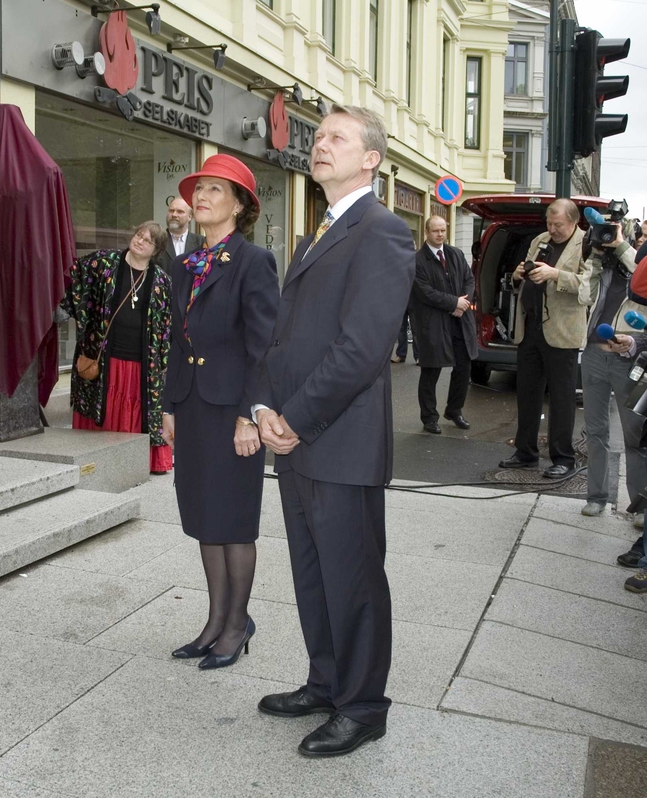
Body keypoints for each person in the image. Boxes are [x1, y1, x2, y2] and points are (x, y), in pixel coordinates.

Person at [251, 104, 415, 758]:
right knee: (313, 575)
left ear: (370, 158)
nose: (320, 145)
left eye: (337, 138)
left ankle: (363, 706)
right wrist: (265, 405)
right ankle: (324, 683)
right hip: (296, 441)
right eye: (318, 137)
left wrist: (294, 416)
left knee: (353, 581)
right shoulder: (318, 230)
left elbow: (362, 349)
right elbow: (284, 336)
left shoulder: (382, 232)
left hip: (338, 441)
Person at [161, 155, 280, 670]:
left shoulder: (253, 262)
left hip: (232, 411)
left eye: (215, 189)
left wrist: (249, 415)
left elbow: (264, 346)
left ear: (240, 205)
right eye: (198, 188)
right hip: (192, 405)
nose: (201, 196)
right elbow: (174, 342)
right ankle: (215, 620)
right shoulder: (185, 263)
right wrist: (168, 404)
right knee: (205, 517)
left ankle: (237, 625)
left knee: (233, 521)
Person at [65, 222, 172, 474]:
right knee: (103, 402)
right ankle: (95, 459)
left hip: (140, 363)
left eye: (147, 240)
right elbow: (76, 278)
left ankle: (132, 463)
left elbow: (167, 326)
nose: (140, 241)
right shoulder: (105, 262)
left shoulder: (162, 282)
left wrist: (164, 363)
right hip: (105, 357)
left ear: (155, 250)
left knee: (136, 406)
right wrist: (69, 309)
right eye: (138, 235)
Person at [498, 199, 593, 479]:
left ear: (574, 222)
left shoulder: (586, 244)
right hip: (530, 328)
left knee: (562, 399)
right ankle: (526, 452)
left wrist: (555, 274)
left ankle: (563, 458)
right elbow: (526, 274)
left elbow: (588, 286)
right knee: (527, 394)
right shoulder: (540, 239)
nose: (552, 229)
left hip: (562, 332)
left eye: (558, 225)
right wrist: (518, 276)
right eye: (549, 223)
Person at [580, 218, 647, 517]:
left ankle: (639, 506)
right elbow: (585, 296)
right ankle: (596, 496)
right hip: (594, 355)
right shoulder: (604, 266)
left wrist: (621, 246)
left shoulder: (645, 270)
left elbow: (642, 271)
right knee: (595, 431)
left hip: (625, 358)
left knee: (633, 435)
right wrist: (596, 257)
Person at [411, 215, 476, 433]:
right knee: (431, 369)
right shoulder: (418, 260)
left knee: (463, 366)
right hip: (434, 322)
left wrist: (464, 303)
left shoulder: (455, 254)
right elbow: (424, 291)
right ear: (426, 233)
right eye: (435, 231)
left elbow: (469, 279)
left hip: (459, 320)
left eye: (443, 230)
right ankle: (429, 417)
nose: (440, 234)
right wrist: (453, 302)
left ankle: (454, 410)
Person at [164, 196, 206, 260]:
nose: (174, 215)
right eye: (171, 211)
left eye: (180, 211)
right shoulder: (157, 240)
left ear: (190, 217)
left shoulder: (201, 242)